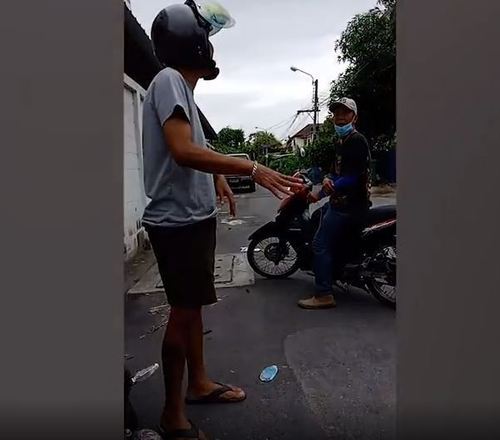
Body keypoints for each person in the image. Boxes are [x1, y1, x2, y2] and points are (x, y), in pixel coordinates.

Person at [141, 2, 303, 439]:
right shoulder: (169, 80)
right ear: (193, 42)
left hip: (191, 220)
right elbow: (181, 150)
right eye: (208, 38)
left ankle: (198, 383)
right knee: (182, 314)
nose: (212, 47)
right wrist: (250, 167)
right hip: (178, 224)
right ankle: (172, 415)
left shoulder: (180, 89)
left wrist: (217, 178)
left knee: (191, 309)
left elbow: (192, 148)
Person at [297, 98, 372, 310]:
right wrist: (326, 179)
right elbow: (335, 171)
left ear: (354, 117)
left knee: (319, 244)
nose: (340, 117)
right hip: (339, 202)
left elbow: (353, 177)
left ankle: (323, 294)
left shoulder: (357, 141)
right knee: (317, 217)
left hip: (349, 206)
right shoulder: (341, 141)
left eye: (345, 113)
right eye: (337, 113)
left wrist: (322, 192)